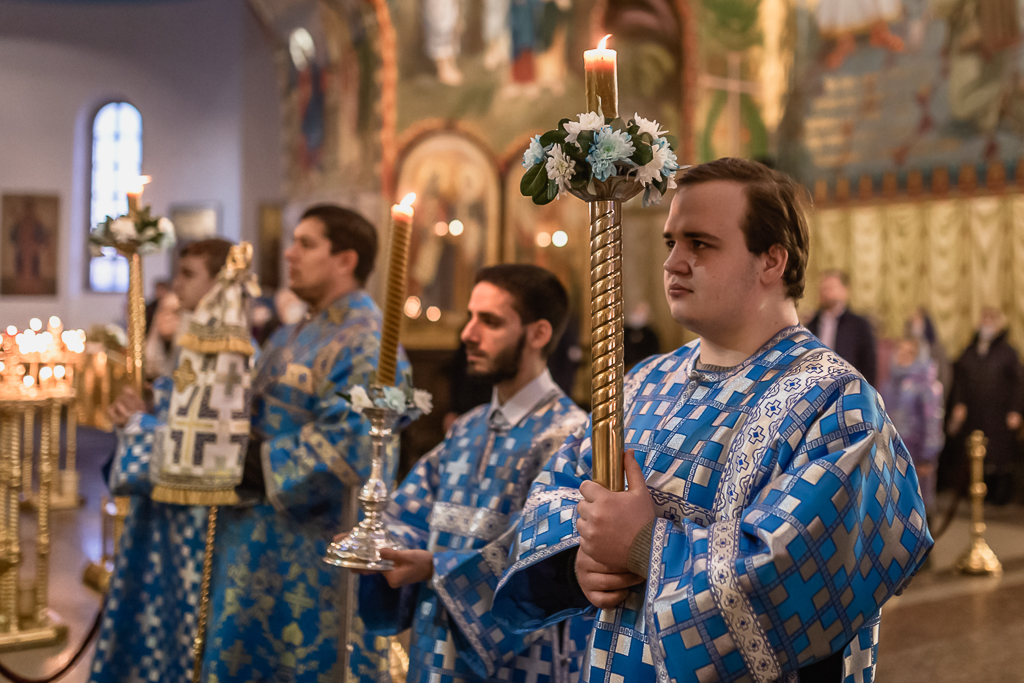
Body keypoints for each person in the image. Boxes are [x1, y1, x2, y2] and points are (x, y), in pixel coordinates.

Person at [491, 158, 933, 683]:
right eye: (670, 242)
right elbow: (559, 489)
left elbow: (795, 576)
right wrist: (580, 561)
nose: (674, 263)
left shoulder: (837, 403)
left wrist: (644, 545)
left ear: (772, 261)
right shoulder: (644, 382)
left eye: (700, 244)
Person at [200, 204, 408, 681]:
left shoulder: (369, 342)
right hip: (252, 540)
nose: (289, 254)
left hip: (314, 557)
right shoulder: (293, 333)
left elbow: (354, 445)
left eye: (306, 244)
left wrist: (248, 461)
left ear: (346, 260)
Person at [358, 264, 591, 683]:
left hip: (519, 660)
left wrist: (435, 566)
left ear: (538, 334)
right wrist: (380, 543)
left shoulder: (570, 437)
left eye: (490, 321)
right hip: (435, 643)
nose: (468, 333)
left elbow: (545, 556)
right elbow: (410, 512)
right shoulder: (467, 427)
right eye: (470, 317)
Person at [91, 238, 235, 683]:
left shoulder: (229, 349)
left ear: (220, 282)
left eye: (189, 274)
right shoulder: (196, 339)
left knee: (182, 619)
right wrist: (145, 409)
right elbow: (174, 406)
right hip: (164, 510)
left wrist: (141, 423)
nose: (177, 284)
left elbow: (206, 439)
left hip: (194, 516)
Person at [947, 307, 1023, 506]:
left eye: (991, 320)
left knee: (998, 456)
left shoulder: (1008, 353)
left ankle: (999, 497)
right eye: (984, 319)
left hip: (999, 414)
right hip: (974, 413)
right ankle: (974, 494)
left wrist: (1016, 410)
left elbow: (1018, 384)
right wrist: (959, 403)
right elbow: (960, 381)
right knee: (973, 452)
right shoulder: (970, 351)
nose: (986, 324)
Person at [882, 337, 944, 514]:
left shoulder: (926, 385)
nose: (903, 356)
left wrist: (927, 458)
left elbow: (932, 424)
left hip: (915, 454)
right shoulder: (888, 384)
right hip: (890, 453)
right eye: (900, 351)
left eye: (909, 353)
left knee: (916, 504)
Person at [807, 269, 878, 385]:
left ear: (845, 291)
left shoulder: (859, 326)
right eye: (823, 288)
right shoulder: (812, 324)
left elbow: (869, 367)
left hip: (848, 387)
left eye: (830, 288)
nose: (825, 293)